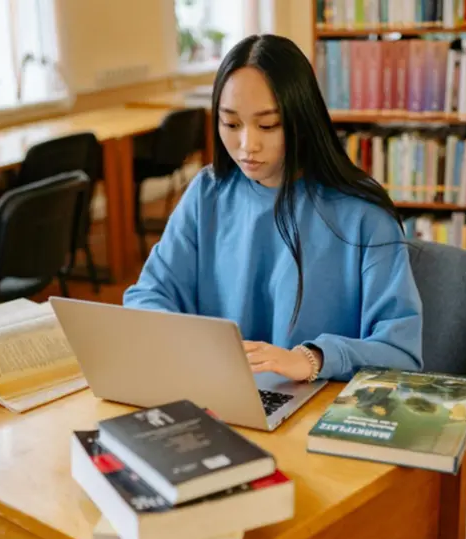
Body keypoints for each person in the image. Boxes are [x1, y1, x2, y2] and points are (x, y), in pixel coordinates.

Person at [123, 33, 423, 383]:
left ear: (301, 120)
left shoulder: (362, 213)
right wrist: (181, 341)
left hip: (315, 410)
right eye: (231, 124)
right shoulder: (207, 193)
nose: (247, 145)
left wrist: (314, 358)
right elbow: (148, 295)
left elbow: (401, 352)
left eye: (268, 125)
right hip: (222, 398)